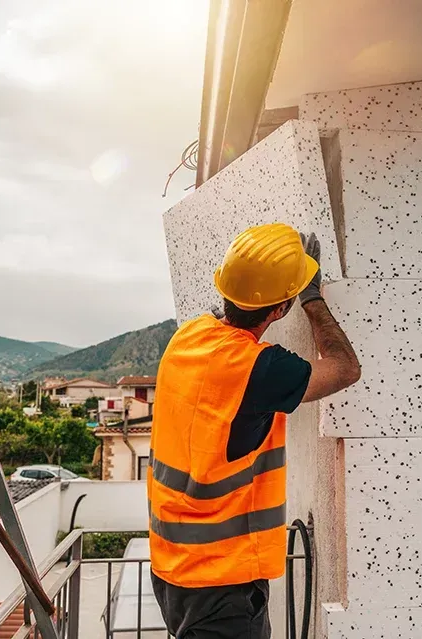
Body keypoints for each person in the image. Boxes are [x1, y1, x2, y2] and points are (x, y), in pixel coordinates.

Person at [148, 222, 361, 638]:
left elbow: (231, 309)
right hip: (220, 584)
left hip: (173, 569)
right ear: (280, 309)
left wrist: (270, 273)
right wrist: (312, 297)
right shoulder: (259, 370)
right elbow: (345, 368)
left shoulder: (188, 338)